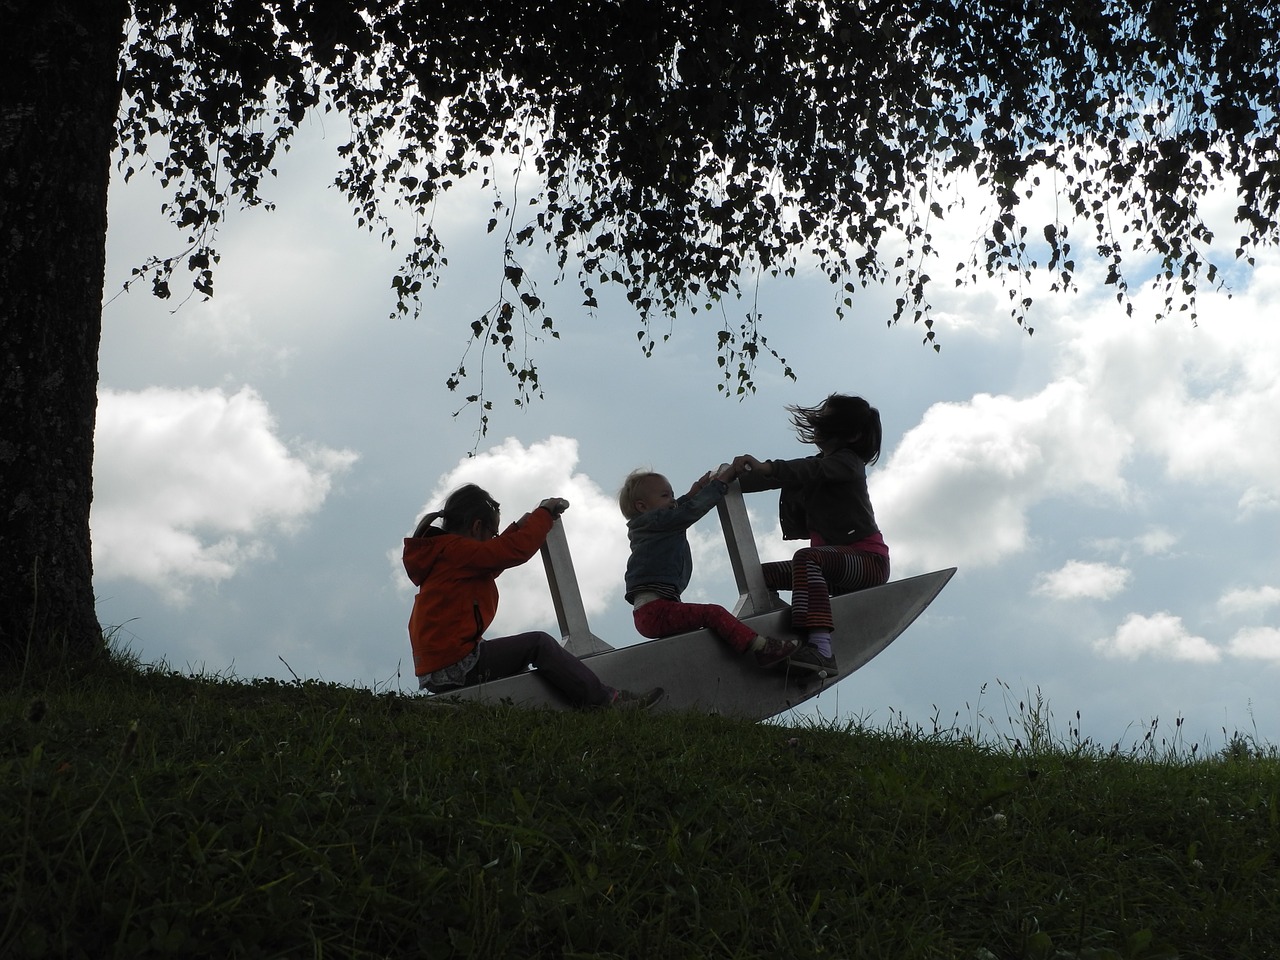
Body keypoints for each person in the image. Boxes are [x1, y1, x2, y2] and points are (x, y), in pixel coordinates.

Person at [403, 483, 663, 709]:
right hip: (457, 664)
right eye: (491, 534)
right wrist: (544, 515)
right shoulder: (456, 550)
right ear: (476, 526)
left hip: (440, 666)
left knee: (518, 660)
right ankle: (607, 701)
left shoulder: (446, 553)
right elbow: (509, 552)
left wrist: (519, 526)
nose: (494, 539)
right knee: (538, 644)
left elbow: (495, 556)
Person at [733, 393, 891, 677]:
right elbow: (781, 477)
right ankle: (779, 634)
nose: (817, 428)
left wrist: (766, 466)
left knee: (807, 559)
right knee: (759, 576)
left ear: (851, 435)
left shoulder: (847, 463)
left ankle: (821, 650)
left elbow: (803, 470)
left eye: (825, 423)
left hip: (867, 562)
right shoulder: (820, 464)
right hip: (831, 568)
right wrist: (727, 482)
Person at [619, 465, 801, 667]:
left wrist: (694, 491)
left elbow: (679, 508)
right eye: (665, 495)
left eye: (673, 495)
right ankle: (761, 648)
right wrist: (720, 483)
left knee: (702, 628)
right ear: (642, 506)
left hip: (654, 610)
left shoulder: (650, 525)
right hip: (655, 611)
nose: (672, 500)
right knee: (713, 613)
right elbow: (690, 510)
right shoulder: (657, 522)